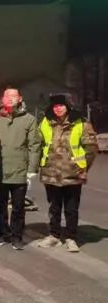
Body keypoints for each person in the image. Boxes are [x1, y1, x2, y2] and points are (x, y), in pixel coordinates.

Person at [36, 94, 98, 252]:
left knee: (71, 208)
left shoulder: (81, 122)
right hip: (51, 172)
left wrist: (83, 168)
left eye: (61, 105)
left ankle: (71, 237)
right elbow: (38, 144)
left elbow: (91, 147)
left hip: (73, 173)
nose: (58, 108)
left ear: (68, 106)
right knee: (54, 207)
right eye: (55, 106)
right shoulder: (45, 122)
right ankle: (54, 235)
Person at [0, 87, 41, 250]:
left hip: (20, 170)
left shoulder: (29, 119)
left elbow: (34, 145)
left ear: (20, 99)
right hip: (0, 170)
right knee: (0, 206)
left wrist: (32, 169)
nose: (10, 98)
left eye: (14, 96)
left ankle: (17, 236)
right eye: (7, 96)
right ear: (2, 99)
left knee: (18, 207)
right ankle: (2, 233)